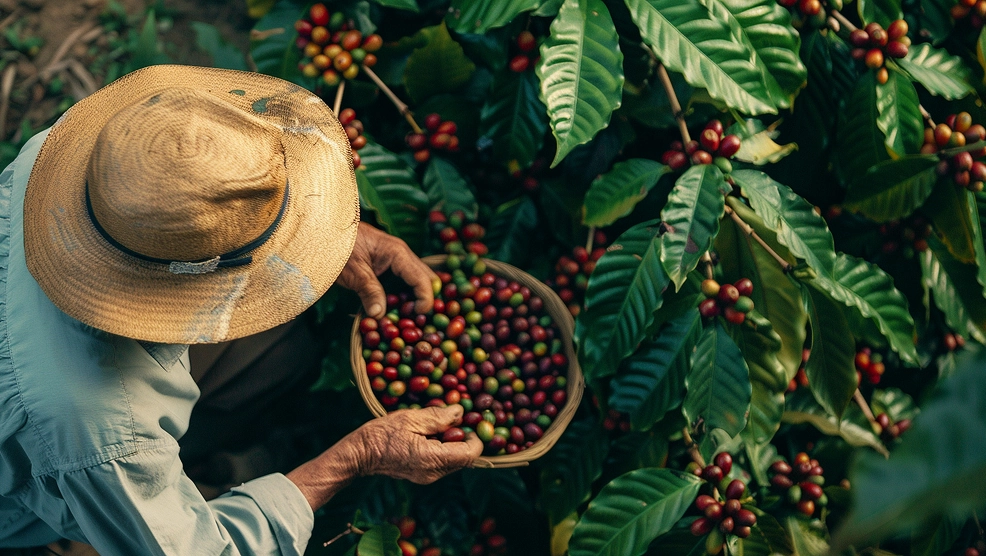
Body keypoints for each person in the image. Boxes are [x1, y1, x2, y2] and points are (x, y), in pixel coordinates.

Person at [0, 65, 483, 555]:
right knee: (111, 520)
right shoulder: (108, 436)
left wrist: (323, 237)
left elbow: (180, 218)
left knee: (279, 353)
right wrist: (358, 456)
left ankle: (196, 462)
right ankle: (134, 505)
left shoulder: (77, 161)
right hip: (37, 489)